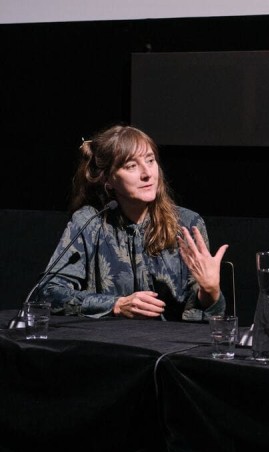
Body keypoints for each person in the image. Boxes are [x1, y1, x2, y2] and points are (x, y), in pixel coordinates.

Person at [39, 124, 228, 321]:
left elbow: (205, 317)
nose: (147, 173)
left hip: (168, 347)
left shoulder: (187, 224)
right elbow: (48, 293)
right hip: (108, 346)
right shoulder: (89, 222)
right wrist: (116, 304)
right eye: (131, 166)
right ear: (108, 180)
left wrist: (210, 291)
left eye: (150, 160)